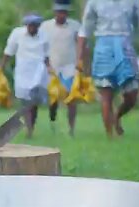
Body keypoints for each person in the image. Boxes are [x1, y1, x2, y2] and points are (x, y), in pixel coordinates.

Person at [77, 0, 139, 138]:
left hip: (125, 45)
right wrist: (79, 58)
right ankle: (110, 136)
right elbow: (84, 31)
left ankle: (117, 116)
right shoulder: (94, 2)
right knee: (106, 95)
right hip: (104, 48)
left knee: (132, 94)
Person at [2, 13, 52, 138]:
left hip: (38, 72)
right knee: (25, 102)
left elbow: (46, 55)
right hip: (22, 72)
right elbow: (8, 51)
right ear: (26, 25)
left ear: (38, 26)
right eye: (30, 25)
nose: (32, 28)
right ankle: (29, 129)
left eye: (35, 26)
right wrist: (1, 67)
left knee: (34, 102)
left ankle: (31, 127)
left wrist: (50, 69)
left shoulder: (44, 36)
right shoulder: (17, 34)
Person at [40, 0, 81, 137]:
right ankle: (53, 119)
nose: (61, 15)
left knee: (71, 98)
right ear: (55, 12)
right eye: (59, 12)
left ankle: (72, 128)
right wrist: (46, 64)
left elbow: (82, 45)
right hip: (52, 67)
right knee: (53, 99)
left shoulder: (75, 26)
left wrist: (82, 64)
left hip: (70, 67)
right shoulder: (46, 26)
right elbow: (41, 47)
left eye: (64, 12)